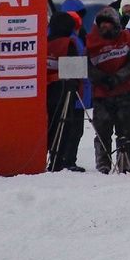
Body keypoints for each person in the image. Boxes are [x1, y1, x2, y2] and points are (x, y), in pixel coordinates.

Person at [86, 7, 130, 174]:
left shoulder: (129, 38)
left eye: (109, 25)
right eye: (102, 25)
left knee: (125, 132)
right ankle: (103, 164)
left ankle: (126, 164)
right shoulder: (90, 42)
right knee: (102, 132)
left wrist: (118, 77)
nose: (105, 28)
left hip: (123, 91)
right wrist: (102, 78)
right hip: (101, 94)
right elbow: (86, 66)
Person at [46, 10, 85, 172]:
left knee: (49, 125)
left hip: (45, 91)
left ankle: (51, 159)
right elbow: (75, 74)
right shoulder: (68, 43)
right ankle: (59, 161)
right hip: (64, 91)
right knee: (64, 126)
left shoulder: (43, 42)